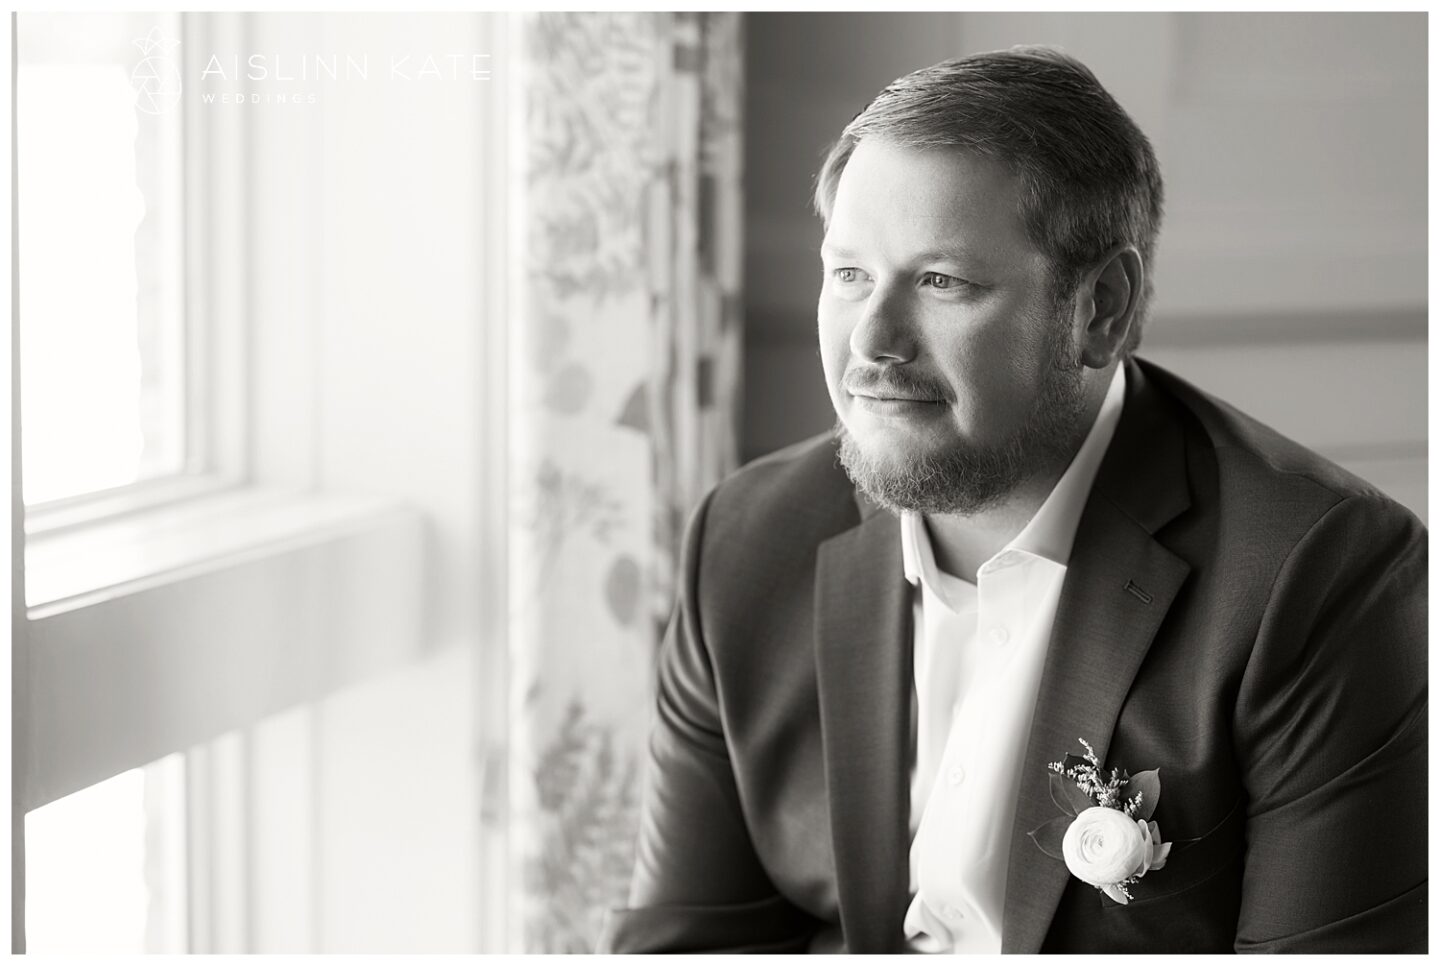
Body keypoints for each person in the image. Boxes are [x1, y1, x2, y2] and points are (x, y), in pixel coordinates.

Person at [597, 46, 1427, 954]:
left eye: (941, 282)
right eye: (849, 275)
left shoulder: (1315, 573)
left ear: (1101, 309)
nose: (872, 341)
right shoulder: (746, 540)